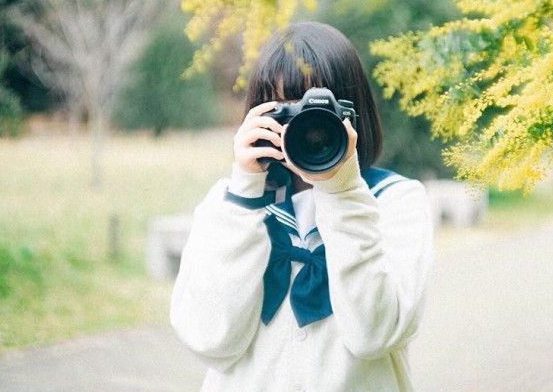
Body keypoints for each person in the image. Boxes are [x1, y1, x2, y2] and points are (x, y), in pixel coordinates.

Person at [170, 21, 433, 392]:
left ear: (354, 113)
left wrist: (343, 190)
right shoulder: (227, 203)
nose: (307, 129)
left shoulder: (396, 200)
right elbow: (209, 339)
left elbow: (375, 335)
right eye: (286, 111)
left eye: (320, 114)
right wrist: (245, 190)